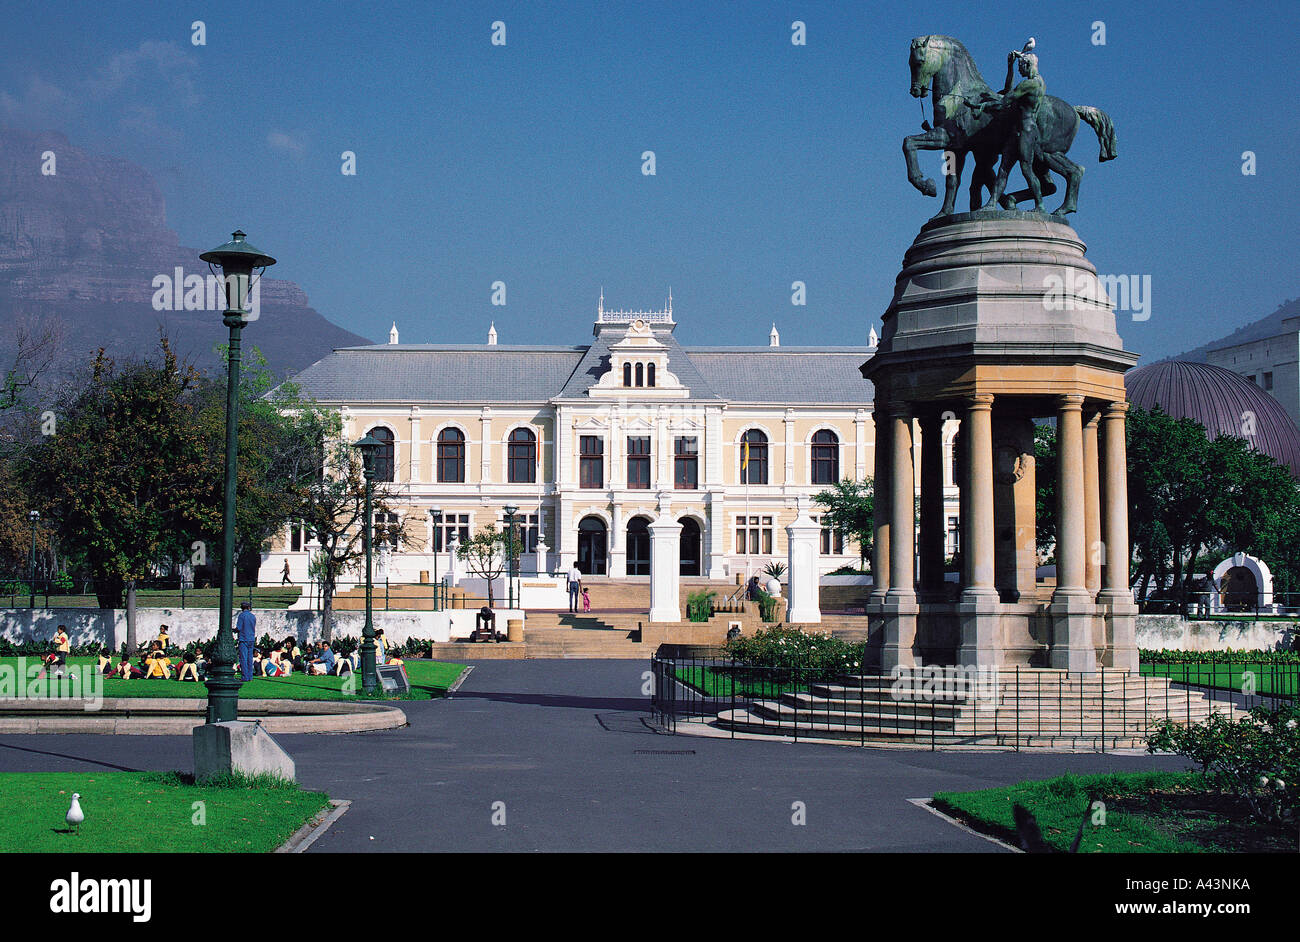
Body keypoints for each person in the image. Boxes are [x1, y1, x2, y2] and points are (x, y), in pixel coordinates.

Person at [235, 601, 256, 681]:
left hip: (243, 639)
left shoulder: (242, 616)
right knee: (250, 658)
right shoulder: (252, 616)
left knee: (243, 658)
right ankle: (250, 676)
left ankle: (244, 676)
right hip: (251, 638)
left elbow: (239, 628)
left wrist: (233, 630)